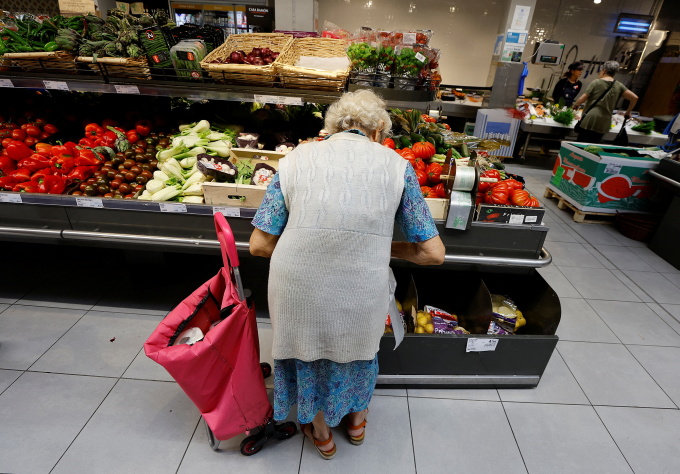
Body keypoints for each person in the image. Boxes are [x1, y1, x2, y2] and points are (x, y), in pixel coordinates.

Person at [249, 89, 445, 460]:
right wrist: (373, 246)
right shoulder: (396, 165)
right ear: (377, 132)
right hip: (360, 288)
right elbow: (432, 253)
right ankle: (356, 423)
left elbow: (259, 245)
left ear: (332, 127)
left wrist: (312, 248)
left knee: (308, 354)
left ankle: (320, 431)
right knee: (357, 352)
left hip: (296, 287)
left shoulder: (294, 160)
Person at [571, 60, 639, 144]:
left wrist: (576, 105)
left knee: (581, 144)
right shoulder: (619, 86)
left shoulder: (596, 82)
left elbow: (582, 99)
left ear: (604, 71)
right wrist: (628, 112)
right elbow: (635, 98)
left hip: (591, 119)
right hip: (604, 121)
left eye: (601, 70)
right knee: (592, 146)